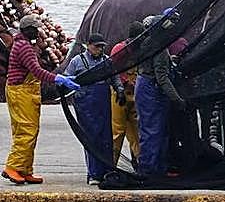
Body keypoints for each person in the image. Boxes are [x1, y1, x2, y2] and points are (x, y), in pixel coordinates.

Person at [2, 14, 80, 186]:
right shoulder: (24, 47)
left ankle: (25, 169)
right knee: (26, 130)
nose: (38, 32)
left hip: (25, 92)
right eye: (35, 29)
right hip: (21, 91)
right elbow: (37, 71)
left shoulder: (22, 44)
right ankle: (12, 167)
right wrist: (58, 78)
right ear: (28, 29)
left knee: (30, 129)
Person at [133, 15, 189, 178]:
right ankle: (149, 170)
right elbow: (162, 77)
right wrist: (177, 99)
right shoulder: (159, 47)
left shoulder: (148, 42)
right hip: (150, 90)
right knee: (152, 130)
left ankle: (158, 168)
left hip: (144, 85)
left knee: (157, 130)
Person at [64, 33, 124, 184]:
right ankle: (94, 173)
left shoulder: (106, 61)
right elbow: (66, 78)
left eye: (102, 47)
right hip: (85, 104)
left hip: (103, 102)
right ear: (88, 46)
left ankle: (108, 170)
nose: (100, 49)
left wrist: (120, 90)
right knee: (91, 137)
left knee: (106, 136)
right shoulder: (77, 61)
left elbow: (115, 77)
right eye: (97, 46)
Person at [110, 21, 145, 167]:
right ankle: (111, 165)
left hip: (135, 93)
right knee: (117, 131)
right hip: (120, 94)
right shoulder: (119, 49)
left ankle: (140, 163)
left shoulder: (141, 49)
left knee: (137, 130)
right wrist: (122, 85)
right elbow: (112, 70)